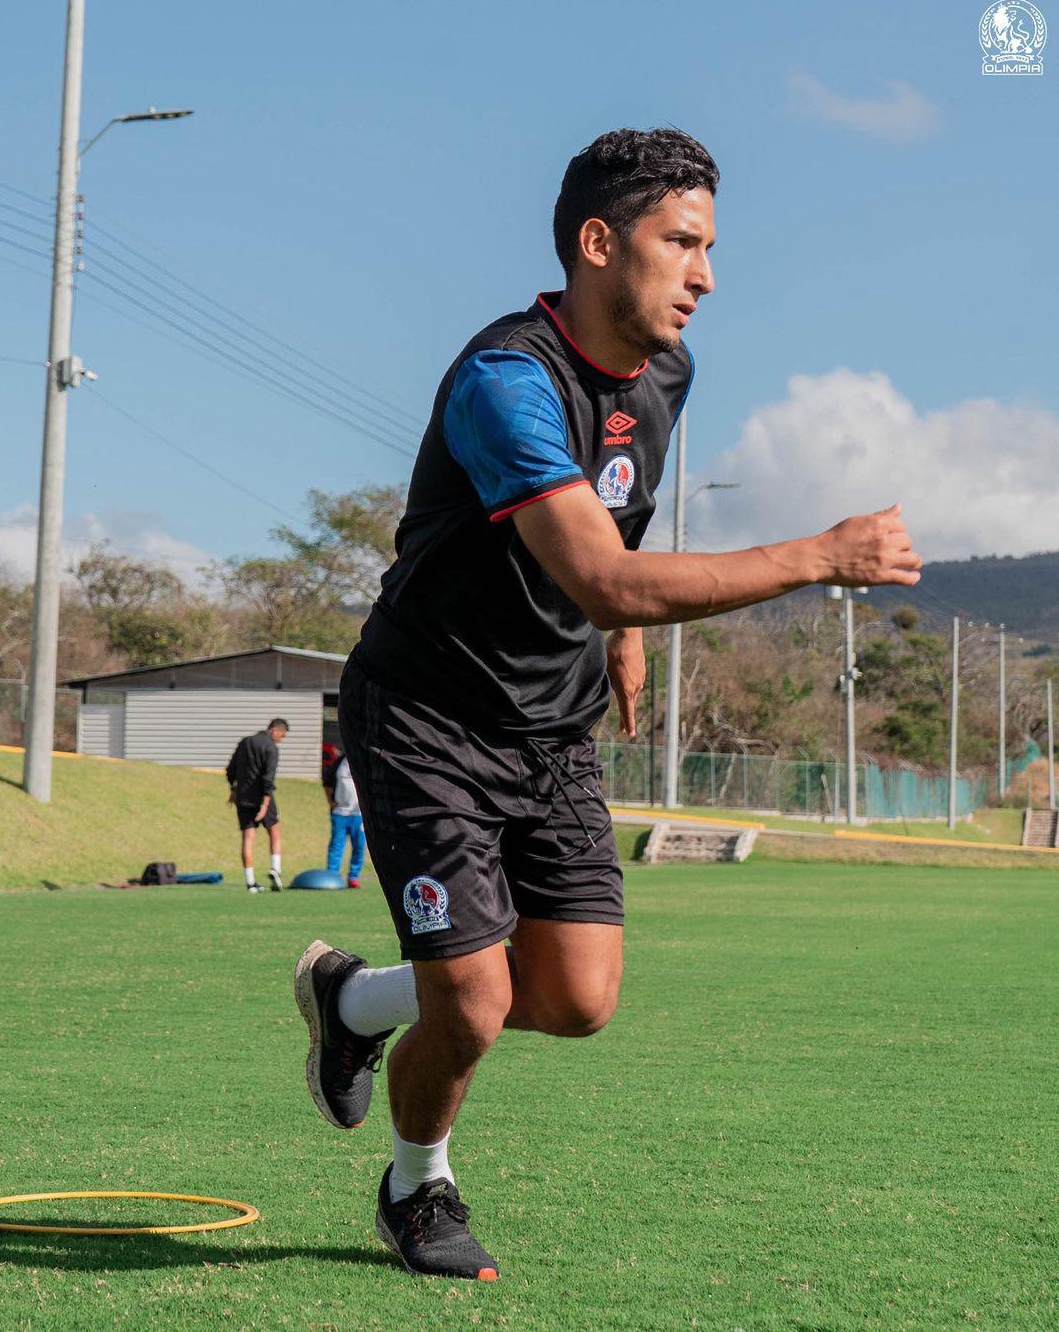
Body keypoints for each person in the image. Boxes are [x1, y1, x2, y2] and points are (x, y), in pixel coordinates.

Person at [293, 127, 921, 1281]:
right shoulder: (504, 382)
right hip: (428, 720)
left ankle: (355, 1002)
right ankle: (416, 1185)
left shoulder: (667, 375)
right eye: (682, 242)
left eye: (711, 246)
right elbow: (603, 569)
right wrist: (820, 552)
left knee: (577, 999)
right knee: (476, 1005)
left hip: (551, 727)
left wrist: (622, 642)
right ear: (597, 241)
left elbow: (613, 529)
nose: (707, 275)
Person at [226, 718, 289, 893]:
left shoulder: (245, 742)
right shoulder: (271, 748)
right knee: (274, 831)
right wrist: (265, 802)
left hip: (243, 796)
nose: (281, 739)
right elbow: (268, 777)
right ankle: (275, 869)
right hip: (262, 797)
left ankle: (250, 882)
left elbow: (231, 769)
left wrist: (233, 788)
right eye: (282, 736)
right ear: (275, 730)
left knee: (248, 837)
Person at [322, 738, 365, 888]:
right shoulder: (339, 763)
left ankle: (353, 877)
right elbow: (327, 782)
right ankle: (332, 876)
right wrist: (330, 802)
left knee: (359, 846)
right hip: (340, 813)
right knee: (336, 846)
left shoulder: (364, 762)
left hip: (359, 815)